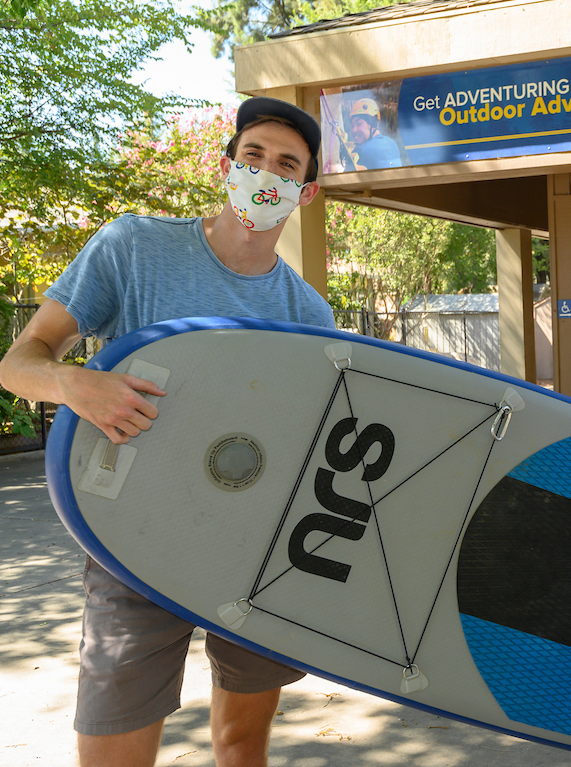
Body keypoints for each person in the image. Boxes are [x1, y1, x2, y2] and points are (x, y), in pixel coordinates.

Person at [0, 97, 336, 767]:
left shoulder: (310, 315)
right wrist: (74, 383)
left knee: (242, 745)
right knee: (114, 752)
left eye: (287, 165)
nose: (266, 173)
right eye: (254, 157)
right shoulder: (134, 249)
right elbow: (19, 362)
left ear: (305, 193)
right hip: (130, 539)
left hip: (253, 551)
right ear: (227, 167)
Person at [347, 97, 408, 169]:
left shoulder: (363, 151)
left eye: (359, 124)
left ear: (373, 124)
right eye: (352, 126)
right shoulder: (392, 143)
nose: (354, 130)